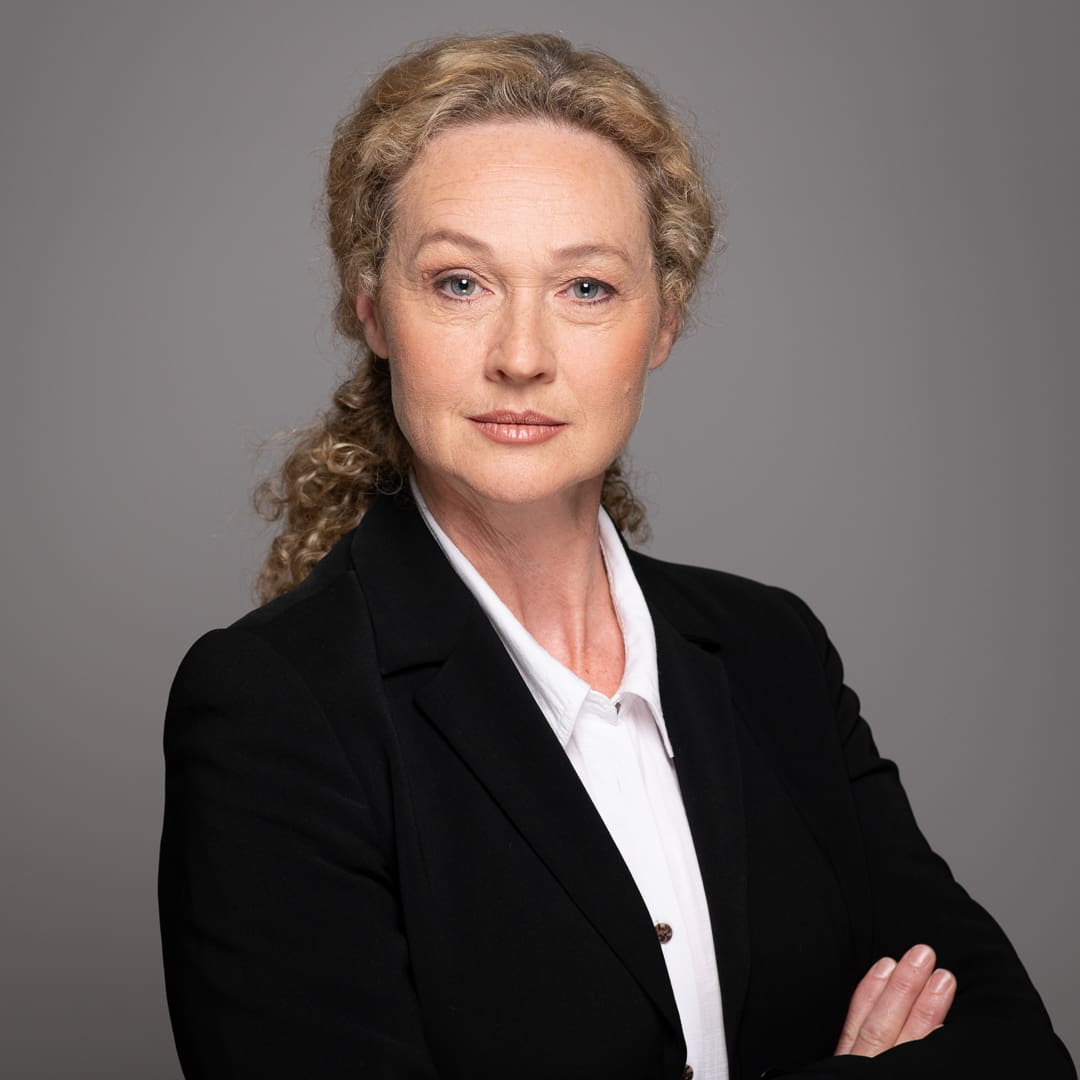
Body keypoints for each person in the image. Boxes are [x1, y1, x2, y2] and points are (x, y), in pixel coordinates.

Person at [157, 32, 1075, 1080]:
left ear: (664, 323)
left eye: (585, 288)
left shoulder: (774, 652)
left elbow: (1021, 1055)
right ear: (372, 309)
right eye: (459, 282)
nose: (521, 355)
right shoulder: (274, 708)